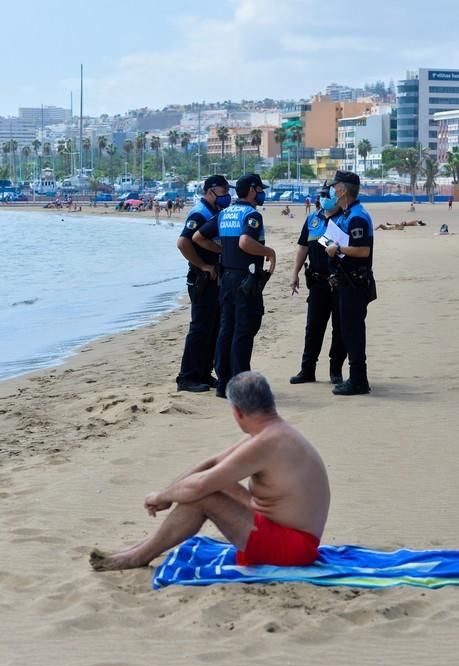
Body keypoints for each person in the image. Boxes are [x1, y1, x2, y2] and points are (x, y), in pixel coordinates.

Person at [90, 372, 330, 571]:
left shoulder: (268, 442)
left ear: (237, 411)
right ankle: (137, 549)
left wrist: (160, 498)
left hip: (293, 548)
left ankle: (137, 557)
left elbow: (199, 486)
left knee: (203, 495)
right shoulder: (271, 432)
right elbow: (212, 464)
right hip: (283, 531)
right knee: (210, 484)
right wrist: (167, 494)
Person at [194, 174, 276, 398]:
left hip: (226, 279)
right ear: (251, 189)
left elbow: (199, 237)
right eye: (260, 189)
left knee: (226, 330)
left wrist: (223, 252)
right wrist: (269, 252)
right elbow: (245, 242)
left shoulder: (224, 213)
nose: (262, 193)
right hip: (245, 281)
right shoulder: (252, 214)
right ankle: (240, 383)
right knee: (243, 330)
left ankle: (223, 384)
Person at [176, 175, 233, 393]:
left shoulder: (214, 212)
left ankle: (203, 373)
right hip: (202, 279)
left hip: (214, 279)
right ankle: (187, 377)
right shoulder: (200, 213)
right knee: (200, 328)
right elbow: (183, 243)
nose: (226, 195)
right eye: (223, 191)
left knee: (213, 327)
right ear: (210, 191)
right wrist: (202, 265)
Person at [289, 182, 346, 385]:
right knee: (313, 327)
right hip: (317, 282)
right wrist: (294, 273)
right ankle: (307, 370)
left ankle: (335, 371)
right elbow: (303, 247)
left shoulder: (345, 219)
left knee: (340, 329)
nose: (324, 199)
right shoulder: (313, 219)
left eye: (327, 195)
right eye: (321, 195)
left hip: (340, 283)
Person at [325, 171, 376, 396]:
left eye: (335, 187)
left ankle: (358, 380)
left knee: (353, 332)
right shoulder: (347, 214)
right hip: (347, 281)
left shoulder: (357, 216)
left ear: (343, 189)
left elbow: (363, 250)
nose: (333, 191)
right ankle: (355, 377)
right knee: (348, 330)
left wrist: (338, 249)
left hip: (355, 283)